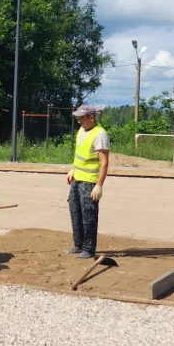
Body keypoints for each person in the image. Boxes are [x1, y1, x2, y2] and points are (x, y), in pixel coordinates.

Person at [65, 105, 109, 259]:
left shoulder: (100, 134)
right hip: (77, 179)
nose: (79, 121)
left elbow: (104, 163)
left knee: (88, 215)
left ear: (92, 117)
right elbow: (80, 154)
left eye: (82, 118)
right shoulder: (82, 130)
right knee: (75, 212)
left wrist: (99, 185)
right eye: (78, 117)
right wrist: (73, 169)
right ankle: (78, 245)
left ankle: (89, 249)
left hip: (89, 183)